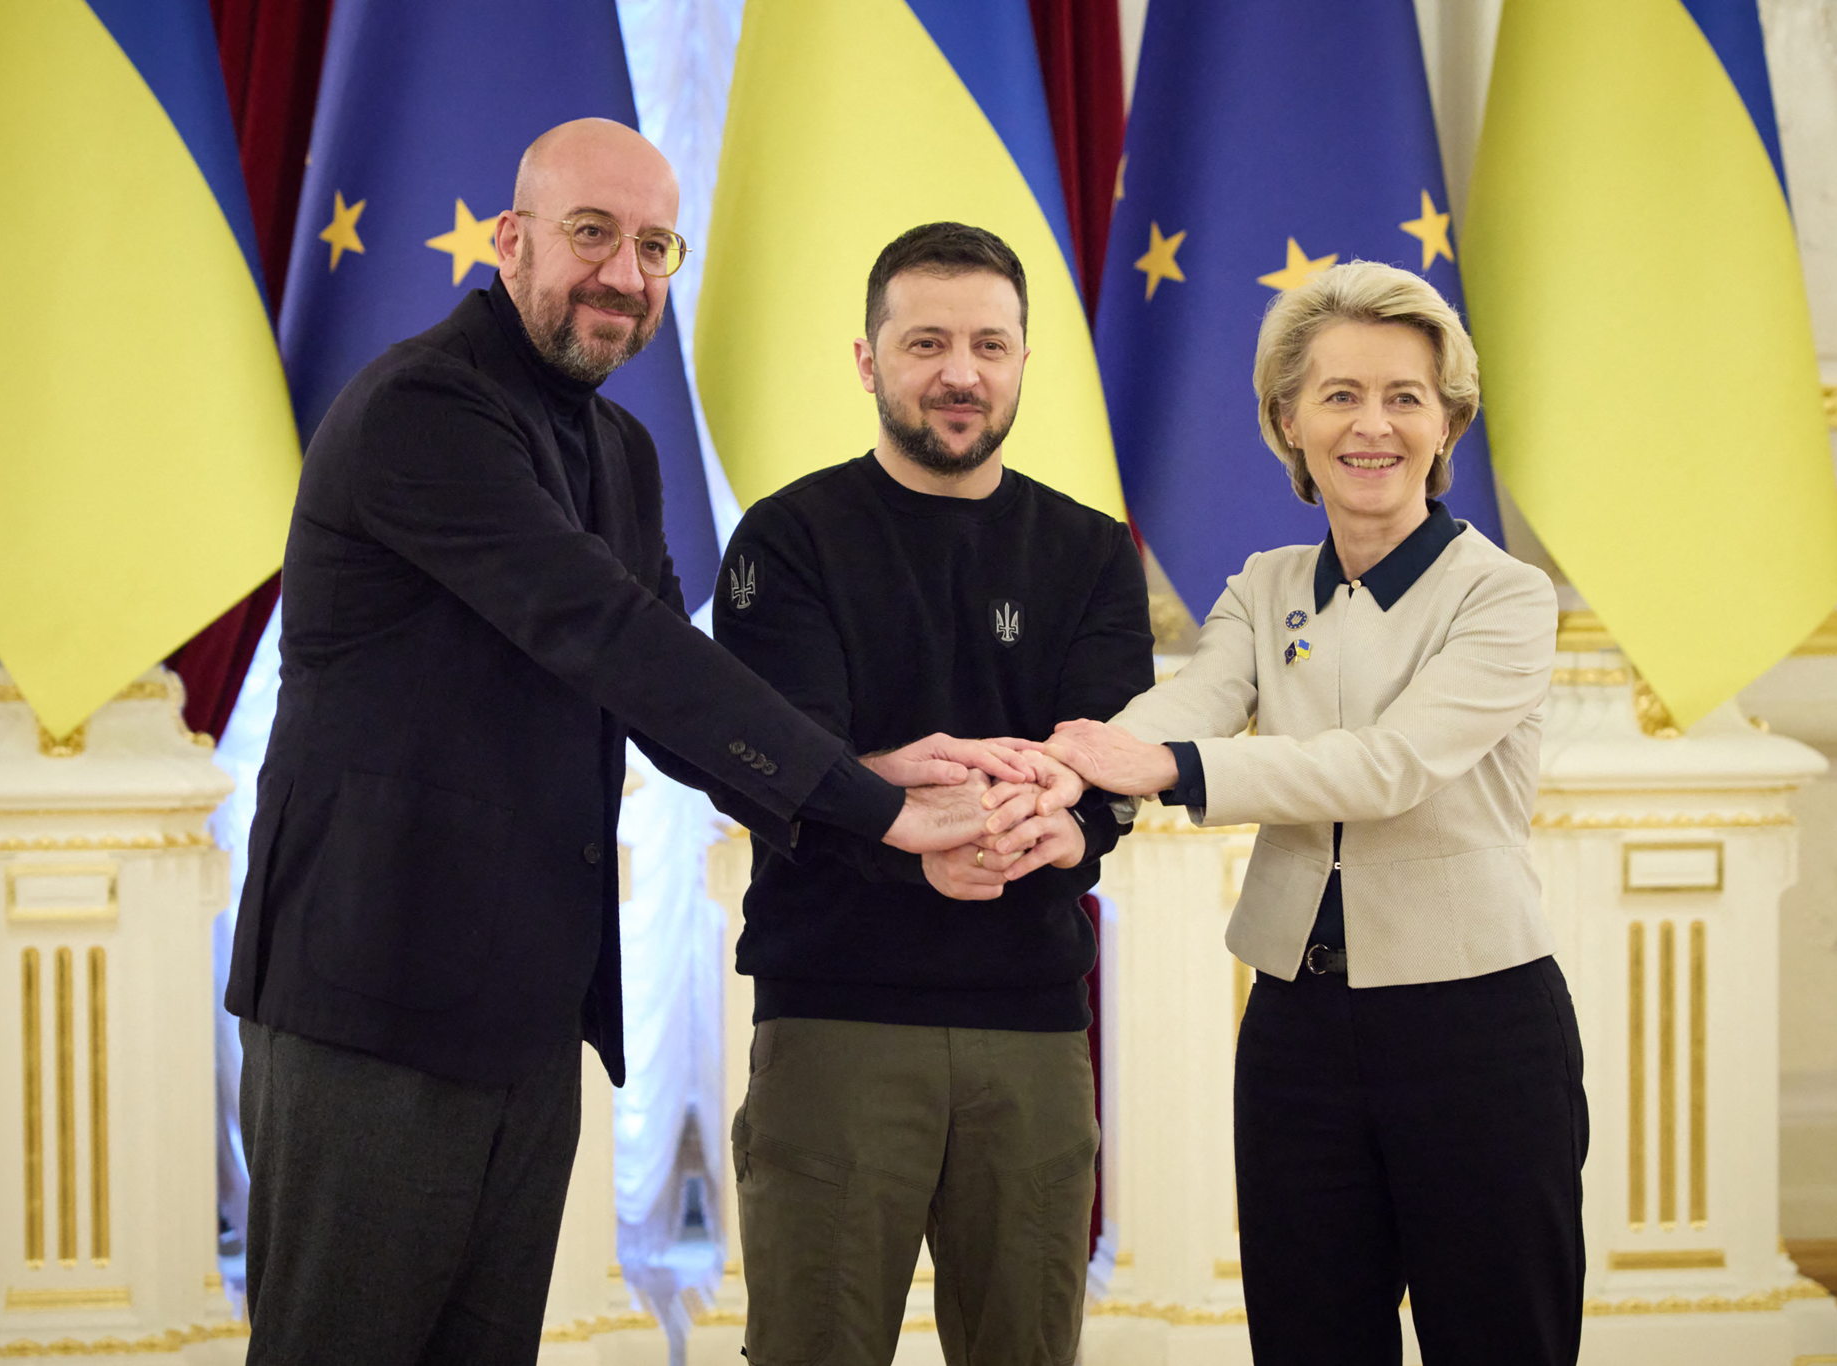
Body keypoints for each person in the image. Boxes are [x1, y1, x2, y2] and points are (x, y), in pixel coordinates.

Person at [223, 121, 1026, 1366]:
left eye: (654, 247)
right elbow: (607, 633)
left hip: (525, 1013)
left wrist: (856, 778)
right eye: (591, 234)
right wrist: (873, 808)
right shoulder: (422, 407)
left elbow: (671, 688)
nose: (623, 273)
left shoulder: (618, 447)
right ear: (510, 241)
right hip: (370, 998)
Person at [1040, 260, 1584, 1366]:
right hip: (1296, 1031)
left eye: (1404, 397)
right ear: (1287, 420)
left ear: (1448, 423)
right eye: (1339, 395)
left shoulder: (1505, 596)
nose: (1371, 425)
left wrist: (1160, 765)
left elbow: (1386, 768)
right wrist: (1069, 769)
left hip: (1477, 1031)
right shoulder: (1265, 584)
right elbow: (1189, 702)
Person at [713, 221, 1153, 1366]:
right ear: (868, 361)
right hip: (833, 1018)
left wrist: (1042, 825)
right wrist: (912, 825)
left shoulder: (1092, 552)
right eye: (926, 343)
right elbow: (775, 760)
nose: (961, 373)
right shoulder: (785, 539)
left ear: (1022, 361)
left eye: (988, 346)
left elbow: (1104, 765)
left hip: (1033, 1024)